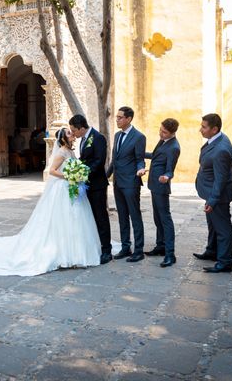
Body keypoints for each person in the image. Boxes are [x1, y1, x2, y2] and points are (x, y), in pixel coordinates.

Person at [0, 128, 101, 276]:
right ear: (63, 139)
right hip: (62, 188)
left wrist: (77, 175)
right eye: (69, 133)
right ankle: (63, 253)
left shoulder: (70, 152)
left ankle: (76, 252)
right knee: (62, 219)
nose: (72, 135)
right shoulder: (62, 152)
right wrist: (69, 176)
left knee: (75, 219)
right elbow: (52, 171)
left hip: (71, 188)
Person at [69, 114, 112, 264]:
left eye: (74, 130)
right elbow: (85, 159)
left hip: (97, 185)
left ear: (81, 128)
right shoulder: (83, 140)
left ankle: (107, 250)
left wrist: (83, 173)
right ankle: (96, 244)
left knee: (101, 217)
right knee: (90, 216)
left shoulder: (98, 137)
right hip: (87, 185)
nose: (73, 133)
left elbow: (99, 161)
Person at [195, 113, 232, 273]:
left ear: (214, 129)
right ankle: (212, 251)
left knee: (222, 228)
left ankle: (224, 262)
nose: (200, 130)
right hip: (209, 192)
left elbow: (221, 179)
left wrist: (212, 200)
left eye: (204, 127)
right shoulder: (217, 140)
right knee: (213, 225)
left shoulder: (221, 149)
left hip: (217, 195)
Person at [107, 106, 147, 263]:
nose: (117, 119)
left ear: (129, 119)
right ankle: (125, 247)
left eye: (120, 117)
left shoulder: (139, 137)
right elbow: (114, 159)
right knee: (122, 217)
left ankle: (138, 250)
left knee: (135, 216)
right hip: (118, 183)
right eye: (117, 117)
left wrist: (140, 169)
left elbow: (139, 158)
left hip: (131, 183)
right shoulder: (117, 136)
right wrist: (107, 176)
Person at [144, 118, 181, 267]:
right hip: (154, 185)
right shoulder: (163, 141)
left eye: (164, 132)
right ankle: (160, 246)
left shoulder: (174, 147)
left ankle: (170, 254)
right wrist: (140, 153)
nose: (161, 133)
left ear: (172, 133)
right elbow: (156, 156)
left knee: (165, 219)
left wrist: (167, 176)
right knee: (157, 218)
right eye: (160, 130)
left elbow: (170, 169)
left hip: (161, 186)